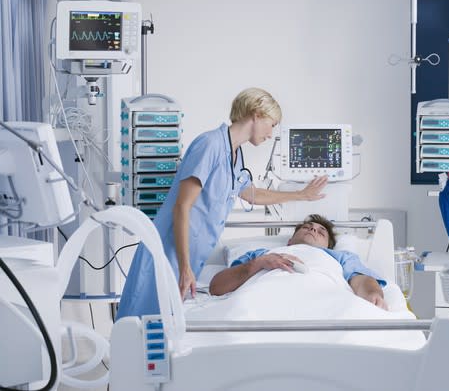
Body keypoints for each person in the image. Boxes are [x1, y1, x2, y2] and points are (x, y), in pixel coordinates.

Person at [117, 88, 328, 319]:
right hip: (168, 251)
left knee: (163, 327)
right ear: (256, 114)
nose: (271, 133)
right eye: (272, 124)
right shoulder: (210, 145)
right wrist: (185, 267)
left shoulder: (234, 155)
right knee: (140, 321)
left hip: (187, 255)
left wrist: (301, 195)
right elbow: (182, 206)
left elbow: (251, 194)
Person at [209, 214, 387, 309]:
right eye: (307, 228)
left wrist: (372, 295)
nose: (313, 230)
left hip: (323, 300)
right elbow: (216, 287)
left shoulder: (340, 257)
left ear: (328, 246)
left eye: (321, 232)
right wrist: (258, 263)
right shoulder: (261, 254)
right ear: (289, 241)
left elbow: (361, 280)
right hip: (260, 301)